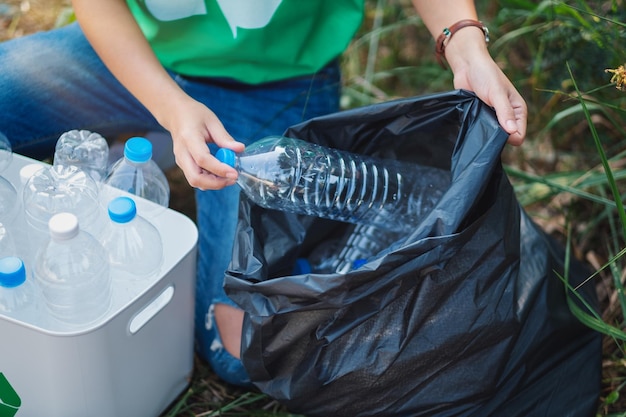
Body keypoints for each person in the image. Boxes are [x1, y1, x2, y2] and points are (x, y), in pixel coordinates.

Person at [0, 0, 527, 387]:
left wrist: (463, 41)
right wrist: (170, 104)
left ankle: (160, 144)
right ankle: (164, 134)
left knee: (237, 352)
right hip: (140, 54)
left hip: (278, 82)